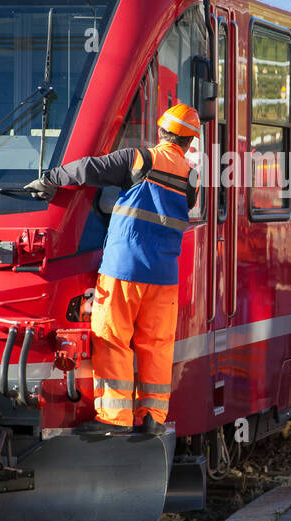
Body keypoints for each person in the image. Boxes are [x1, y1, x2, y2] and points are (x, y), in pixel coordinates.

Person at [24, 103, 200, 435]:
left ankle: (115, 419)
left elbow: (90, 169)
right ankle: (152, 417)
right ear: (189, 142)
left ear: (160, 132)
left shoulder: (139, 159)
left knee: (113, 338)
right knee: (157, 345)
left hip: (124, 269)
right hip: (164, 276)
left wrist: (50, 179)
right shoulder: (191, 179)